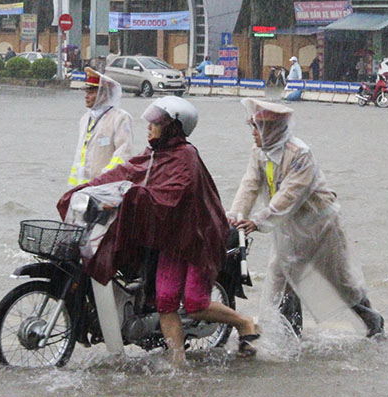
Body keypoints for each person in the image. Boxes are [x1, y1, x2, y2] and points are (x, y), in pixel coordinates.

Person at [58, 96, 258, 367]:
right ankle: (179, 366)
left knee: (196, 304)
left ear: (173, 127)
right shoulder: (153, 153)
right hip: (172, 239)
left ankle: (244, 321)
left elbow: (174, 195)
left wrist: (131, 195)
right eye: (150, 121)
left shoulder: (187, 156)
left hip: (199, 238)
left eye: (156, 122)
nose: (149, 126)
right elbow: (124, 172)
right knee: (164, 301)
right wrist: (87, 189)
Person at [228, 98, 385, 338]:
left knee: (339, 281)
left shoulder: (300, 154)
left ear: (271, 129)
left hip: (320, 226)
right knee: (281, 279)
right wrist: (235, 216)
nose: (253, 134)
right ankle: (290, 336)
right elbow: (250, 185)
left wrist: (257, 222)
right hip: (288, 226)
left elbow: (290, 194)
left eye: (256, 127)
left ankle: (373, 322)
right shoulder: (260, 152)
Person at [68, 67, 136, 186]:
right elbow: (80, 154)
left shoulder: (120, 118)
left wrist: (106, 177)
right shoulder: (85, 119)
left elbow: (124, 153)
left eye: (91, 92)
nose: (86, 96)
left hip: (105, 186)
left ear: (103, 94)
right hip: (82, 187)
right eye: (86, 92)